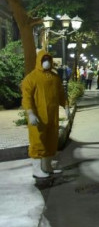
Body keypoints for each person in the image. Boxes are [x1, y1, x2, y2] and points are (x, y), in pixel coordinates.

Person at [22, 50, 69, 179]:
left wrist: (65, 106)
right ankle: (36, 170)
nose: (46, 62)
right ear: (39, 61)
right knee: (38, 142)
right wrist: (30, 113)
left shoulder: (54, 77)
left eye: (48, 59)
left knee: (51, 141)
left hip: (52, 116)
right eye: (44, 60)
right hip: (38, 117)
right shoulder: (31, 78)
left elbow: (60, 94)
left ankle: (47, 167)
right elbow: (26, 98)